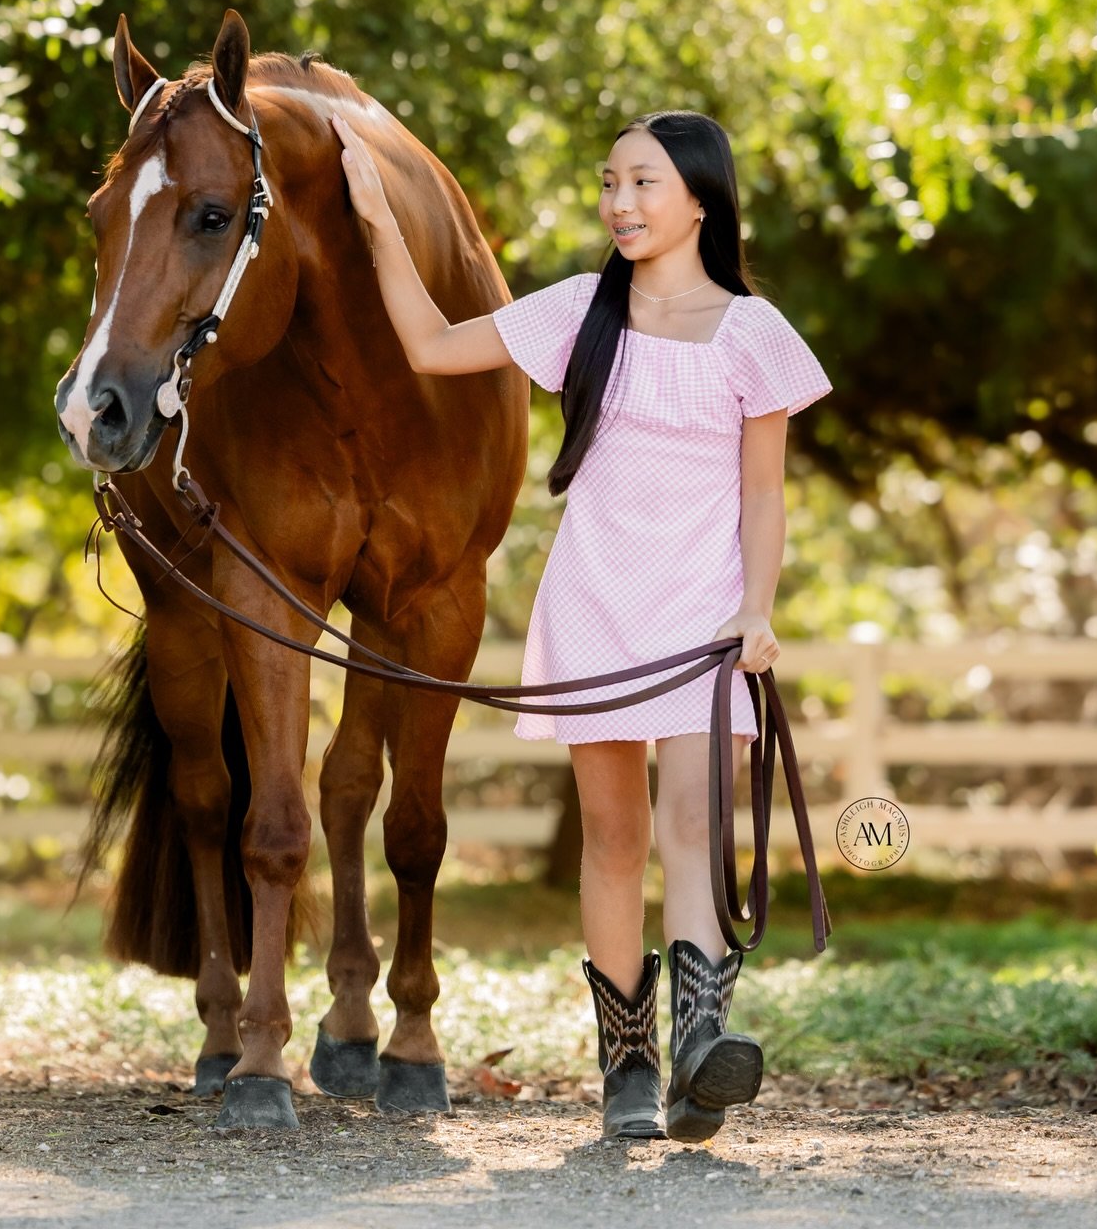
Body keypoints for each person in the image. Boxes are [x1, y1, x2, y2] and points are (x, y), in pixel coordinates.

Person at [329, 105, 831, 1143]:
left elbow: (765, 495)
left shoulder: (756, 335)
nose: (621, 202)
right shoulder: (575, 314)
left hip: (704, 614)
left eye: (643, 182)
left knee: (693, 832)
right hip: (597, 600)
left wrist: (757, 610)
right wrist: (378, 218)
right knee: (614, 839)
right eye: (610, 183)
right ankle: (630, 1073)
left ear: (701, 196)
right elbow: (427, 345)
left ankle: (701, 1053)